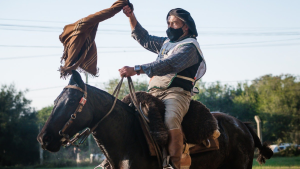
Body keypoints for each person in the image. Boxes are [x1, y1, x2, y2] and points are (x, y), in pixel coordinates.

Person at [119, 4, 206, 169]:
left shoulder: (190, 47)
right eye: (168, 23)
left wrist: (136, 69)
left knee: (170, 118)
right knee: (127, 115)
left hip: (177, 94)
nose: (170, 27)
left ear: (185, 26)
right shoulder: (166, 43)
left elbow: (170, 64)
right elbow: (144, 38)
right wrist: (130, 15)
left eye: (174, 23)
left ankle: (175, 163)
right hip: (153, 93)